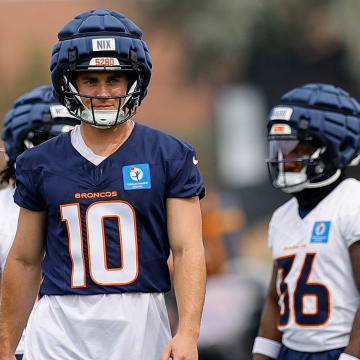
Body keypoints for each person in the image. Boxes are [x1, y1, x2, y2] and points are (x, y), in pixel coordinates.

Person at [0, 9, 206, 360]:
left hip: (140, 322)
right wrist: (5, 346)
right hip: (59, 328)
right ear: (69, 83)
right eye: (90, 80)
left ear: (133, 82)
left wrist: (188, 332)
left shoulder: (169, 154)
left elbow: (188, 249)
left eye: (114, 79)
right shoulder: (39, 162)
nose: (103, 91)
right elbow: (23, 260)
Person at [252, 83, 360, 360]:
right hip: (293, 351)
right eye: (277, 147)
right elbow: (277, 299)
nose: (282, 159)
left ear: (331, 148)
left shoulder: (352, 203)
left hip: (339, 350)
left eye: (293, 149)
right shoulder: (282, 216)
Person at [0, 85, 80, 360]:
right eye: (51, 140)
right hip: (21, 347)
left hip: (84, 345)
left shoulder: (97, 197)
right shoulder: (3, 212)